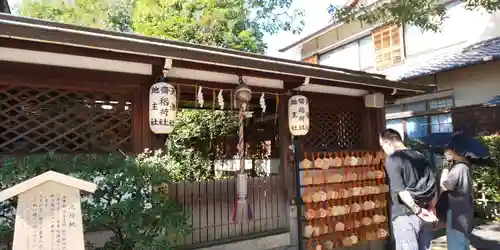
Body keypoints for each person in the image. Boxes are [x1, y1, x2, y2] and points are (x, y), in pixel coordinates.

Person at [379, 129, 438, 250]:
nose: (383, 150)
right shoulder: (420, 156)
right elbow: (432, 185)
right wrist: (432, 207)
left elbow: (401, 191)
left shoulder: (393, 160)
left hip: (405, 216)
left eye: (382, 146)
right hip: (426, 214)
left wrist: (418, 211)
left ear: (388, 143)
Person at [440, 146, 474, 250]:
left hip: (455, 211)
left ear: (454, 151)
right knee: (463, 242)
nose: (446, 152)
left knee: (455, 241)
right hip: (464, 210)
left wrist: (445, 169)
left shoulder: (458, 168)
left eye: (448, 150)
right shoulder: (466, 167)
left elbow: (445, 185)